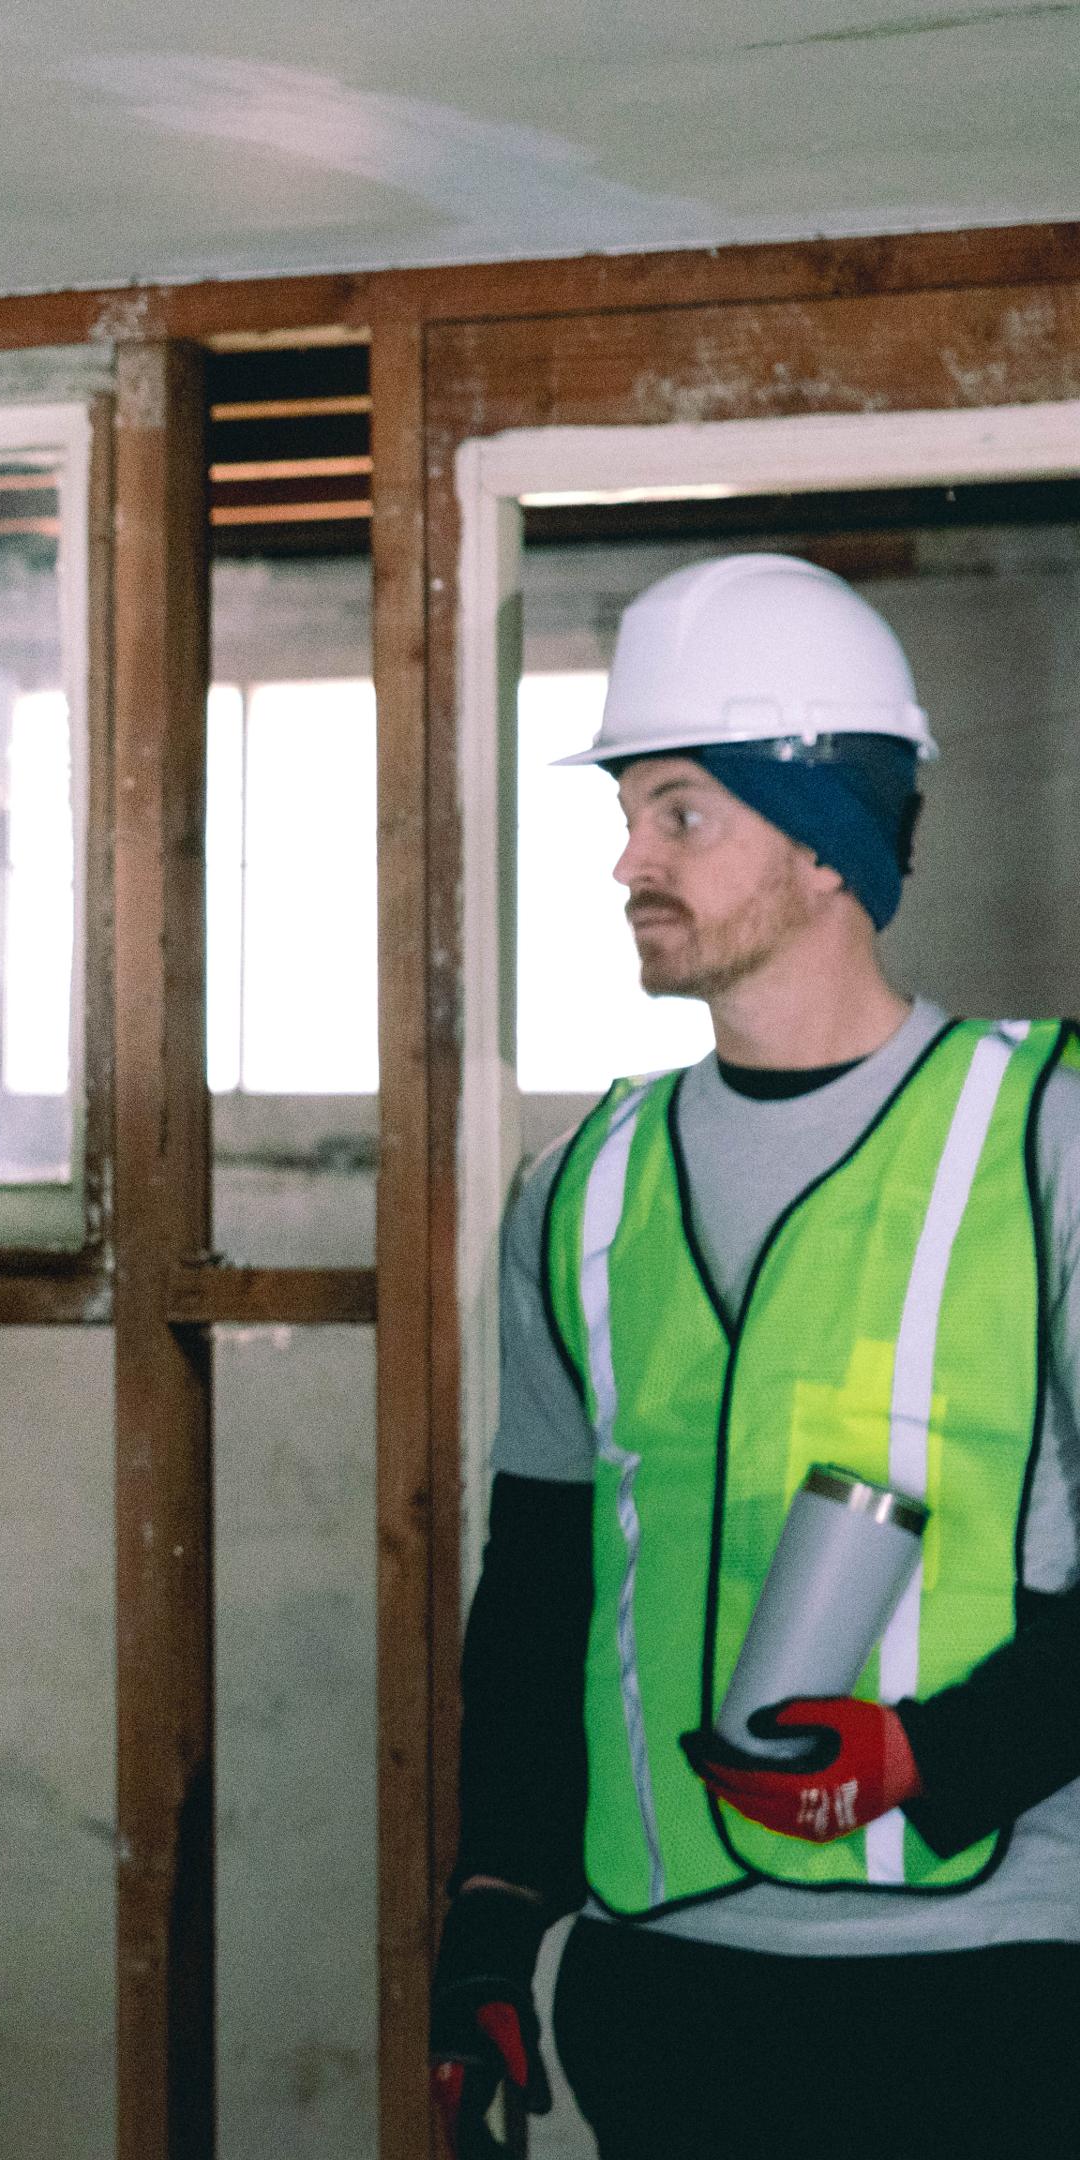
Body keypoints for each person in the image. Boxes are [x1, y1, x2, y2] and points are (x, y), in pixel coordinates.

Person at [433, 554, 1080, 2159]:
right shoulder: (579, 1192)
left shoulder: (1043, 1137)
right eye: (629, 814)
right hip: (669, 1992)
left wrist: (944, 1753)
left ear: (827, 840)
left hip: (988, 1985)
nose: (627, 861)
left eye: (681, 814)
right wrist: (497, 1917)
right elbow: (543, 1585)